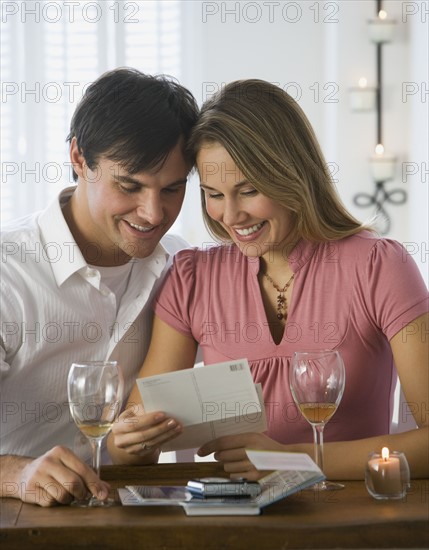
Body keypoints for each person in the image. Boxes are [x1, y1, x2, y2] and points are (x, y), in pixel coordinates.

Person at [109, 79, 428, 481]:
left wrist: (292, 459)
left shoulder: (380, 266)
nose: (230, 215)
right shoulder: (191, 278)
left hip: (350, 521)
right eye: (213, 193)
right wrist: (125, 443)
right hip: (225, 523)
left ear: (292, 175)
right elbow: (135, 446)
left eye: (248, 190)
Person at [0, 67, 199, 506]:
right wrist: (15, 473)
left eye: (172, 189)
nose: (152, 214)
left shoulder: (179, 266)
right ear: (79, 159)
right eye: (129, 186)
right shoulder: (8, 272)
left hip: (130, 519)